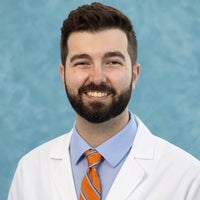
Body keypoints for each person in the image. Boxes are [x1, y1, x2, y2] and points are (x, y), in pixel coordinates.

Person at [8, 2, 200, 200]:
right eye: (82, 63)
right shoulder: (30, 172)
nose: (97, 77)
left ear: (134, 75)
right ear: (63, 75)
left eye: (112, 62)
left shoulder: (188, 178)